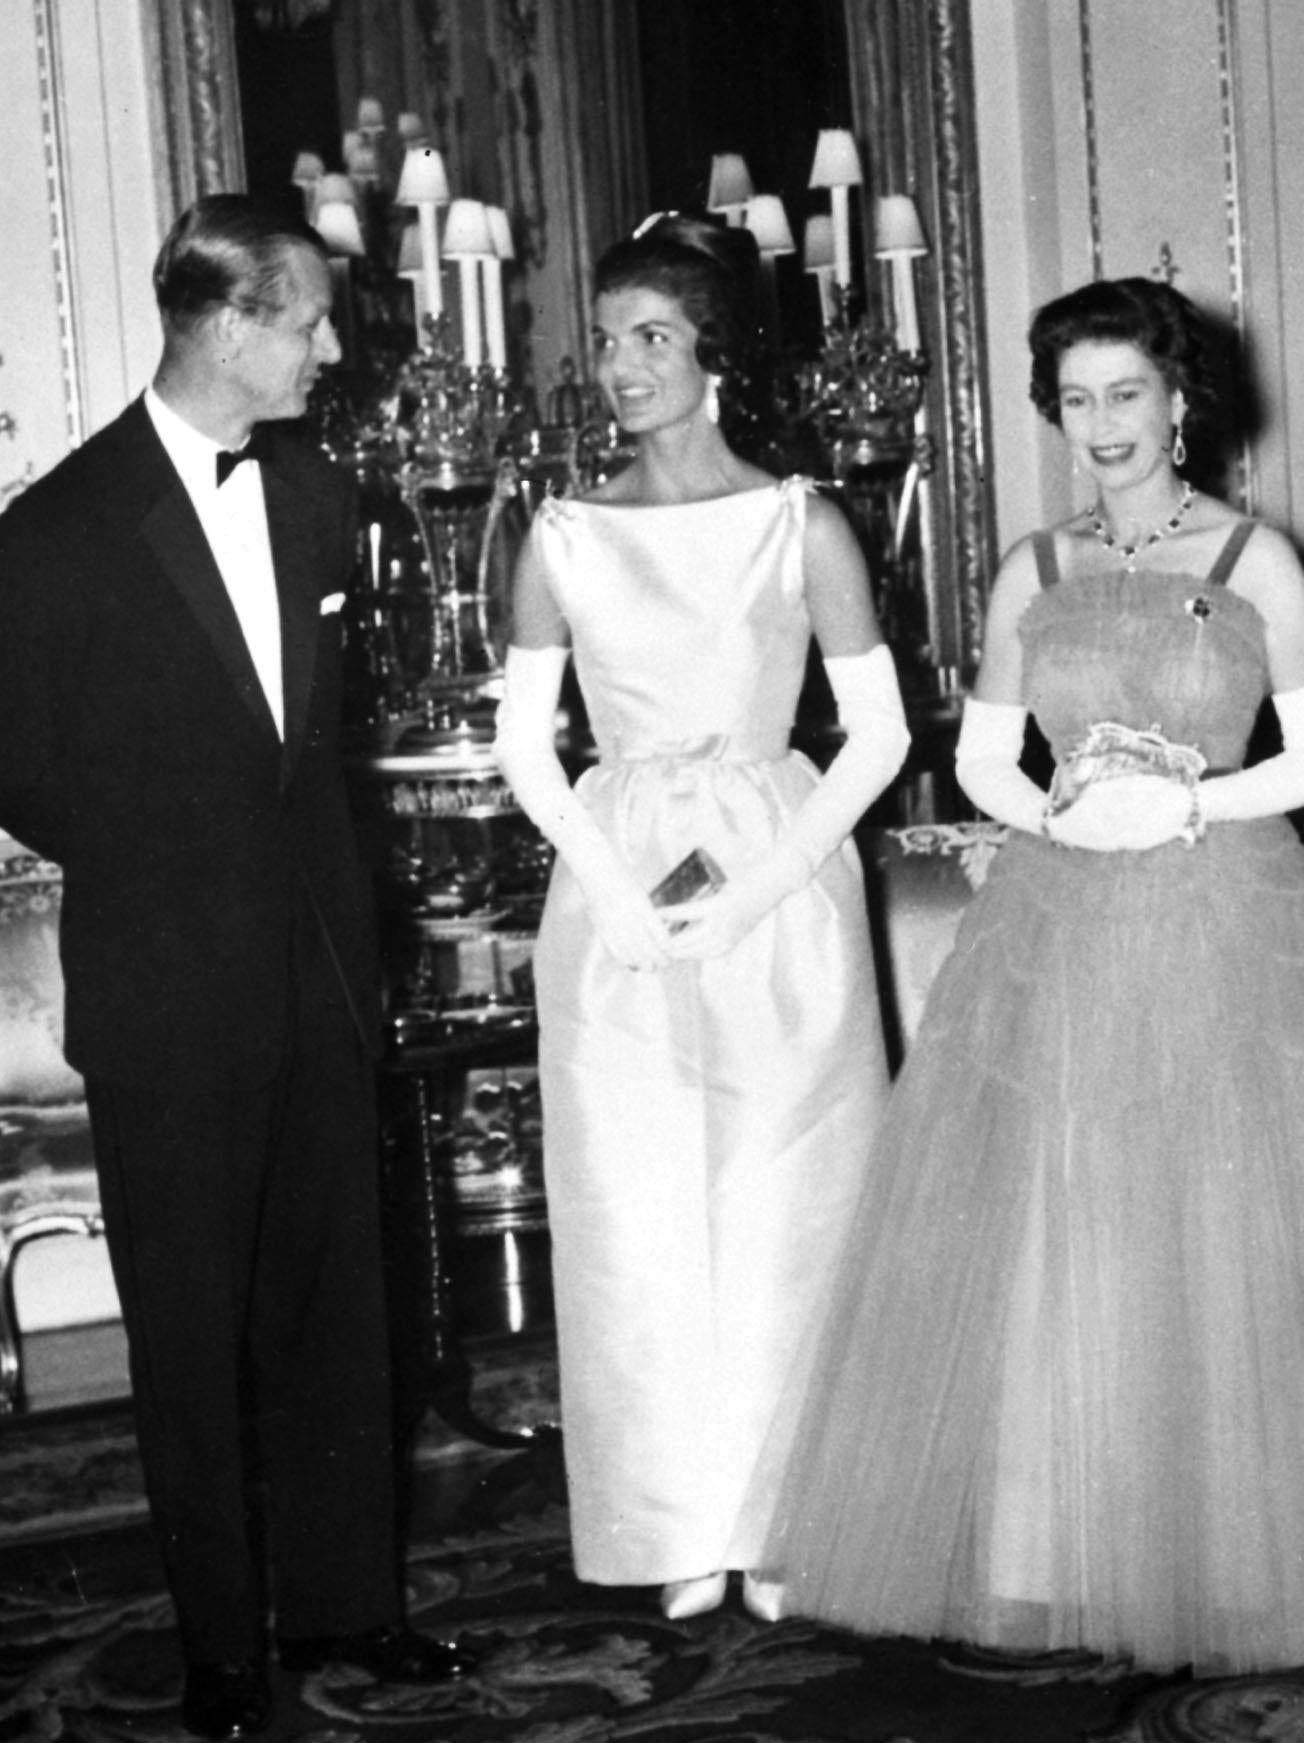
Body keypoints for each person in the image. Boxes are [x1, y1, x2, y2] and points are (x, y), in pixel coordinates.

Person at [751, 277, 1304, 1679]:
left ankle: (1241, 1553)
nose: (1100, 424)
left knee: (1220, 1227)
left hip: (1226, 919)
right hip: (1057, 926)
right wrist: (1057, 814)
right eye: (1074, 399)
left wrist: (1182, 806)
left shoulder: (1257, 563)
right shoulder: (1031, 569)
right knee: (1070, 1224)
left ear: (1181, 404)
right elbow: (986, 752)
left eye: (1126, 394)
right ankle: (1062, 1547)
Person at [0, 194, 472, 1740]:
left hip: (319, 979)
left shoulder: (318, 498)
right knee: (190, 1338)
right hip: (170, 994)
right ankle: (223, 1653)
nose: (333, 345)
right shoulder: (59, 526)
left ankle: (349, 1610)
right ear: (228, 323)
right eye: (311, 318)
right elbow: (12, 768)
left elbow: (311, 755)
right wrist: (177, 863)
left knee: (339, 1317)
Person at [491, 214, 909, 1623]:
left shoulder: (802, 524)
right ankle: (675, 1521)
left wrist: (760, 885)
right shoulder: (561, 533)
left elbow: (874, 737)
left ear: (712, 355)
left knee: (786, 1202)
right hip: (612, 899)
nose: (621, 367)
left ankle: (787, 1518)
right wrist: (611, 890)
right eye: (605, 343)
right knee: (635, 1211)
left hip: (778, 885)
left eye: (651, 339)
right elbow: (524, 747)